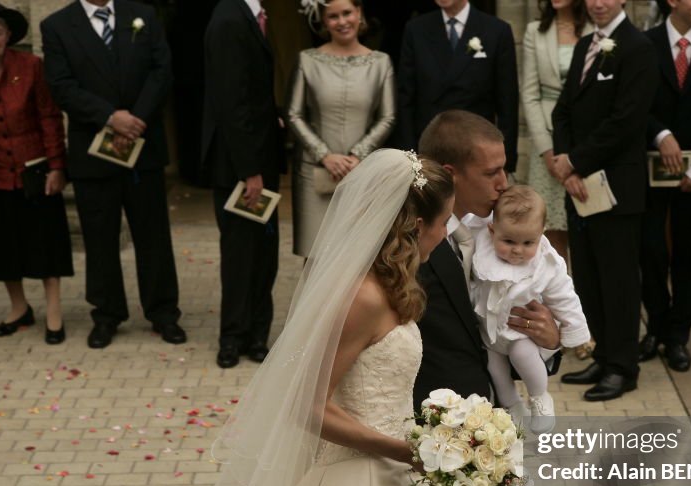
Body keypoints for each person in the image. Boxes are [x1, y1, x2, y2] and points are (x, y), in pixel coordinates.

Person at [105, 150, 527, 486]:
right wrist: (408, 449)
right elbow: (307, 406)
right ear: (415, 224)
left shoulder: (392, 285)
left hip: (403, 477)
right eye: (442, 222)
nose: (445, 234)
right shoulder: (364, 298)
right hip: (356, 477)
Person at [41, 0, 186, 350]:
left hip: (143, 144)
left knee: (153, 235)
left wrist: (135, 119)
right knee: (100, 237)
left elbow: (161, 70)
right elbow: (61, 86)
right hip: (92, 149)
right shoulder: (57, 26)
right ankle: (107, 315)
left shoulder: (143, 14)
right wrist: (109, 117)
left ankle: (163, 313)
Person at [413, 109, 561, 411]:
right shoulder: (414, 247)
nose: (503, 184)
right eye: (491, 172)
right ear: (450, 173)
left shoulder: (498, 233)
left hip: (493, 414)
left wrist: (549, 341)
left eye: (504, 170)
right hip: (438, 421)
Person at [552, 0, 659, 402]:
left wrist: (577, 160)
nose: (597, 3)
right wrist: (567, 165)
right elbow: (564, 111)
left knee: (618, 280)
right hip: (578, 185)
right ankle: (603, 354)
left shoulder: (639, 48)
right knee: (590, 277)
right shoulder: (586, 45)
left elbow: (627, 120)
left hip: (615, 186)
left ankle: (623, 368)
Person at [0, 1, 73, 345]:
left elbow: (49, 117)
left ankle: (53, 310)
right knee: (3, 245)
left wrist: (56, 165)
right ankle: (19, 307)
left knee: (47, 241)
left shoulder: (32, 66)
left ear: (9, 36)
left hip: (35, 170)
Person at [639, 0, 691, 372]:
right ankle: (655, 326)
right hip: (652, 165)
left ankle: (679, 336)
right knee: (651, 249)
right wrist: (660, 134)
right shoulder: (646, 43)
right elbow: (635, 102)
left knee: (690, 254)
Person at [203, 0, 284, 369]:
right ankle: (231, 338)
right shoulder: (228, 17)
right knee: (239, 257)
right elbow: (230, 101)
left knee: (264, 256)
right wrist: (250, 170)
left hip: (262, 161)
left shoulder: (254, 15)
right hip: (241, 167)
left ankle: (257, 336)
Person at [472, 185, 588, 431]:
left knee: (523, 355)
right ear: (492, 231)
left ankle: (540, 397)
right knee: (495, 368)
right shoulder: (482, 245)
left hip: (519, 333)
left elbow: (564, 296)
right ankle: (513, 405)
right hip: (488, 332)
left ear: (541, 234)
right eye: (508, 240)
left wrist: (574, 330)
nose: (517, 249)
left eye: (528, 242)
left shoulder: (545, 263)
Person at [287, 0, 396, 257]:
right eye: (333, 16)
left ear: (359, 13)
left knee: (358, 259)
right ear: (324, 22)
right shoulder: (307, 60)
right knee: (316, 259)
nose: (342, 21)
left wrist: (357, 156)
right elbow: (293, 114)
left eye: (347, 13)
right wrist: (325, 155)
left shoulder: (381, 63)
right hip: (314, 175)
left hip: (363, 172)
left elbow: (388, 117)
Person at [397, 0, 520, 173]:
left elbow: (508, 102)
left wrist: (505, 163)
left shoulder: (496, 30)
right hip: (429, 151)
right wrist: (409, 158)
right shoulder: (416, 29)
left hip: (477, 149)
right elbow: (405, 99)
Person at [520, 0, 592, 260]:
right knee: (551, 226)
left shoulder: (597, 28)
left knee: (588, 219)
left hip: (588, 139)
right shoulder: (535, 31)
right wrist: (545, 148)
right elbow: (529, 94)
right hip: (548, 138)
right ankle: (557, 290)